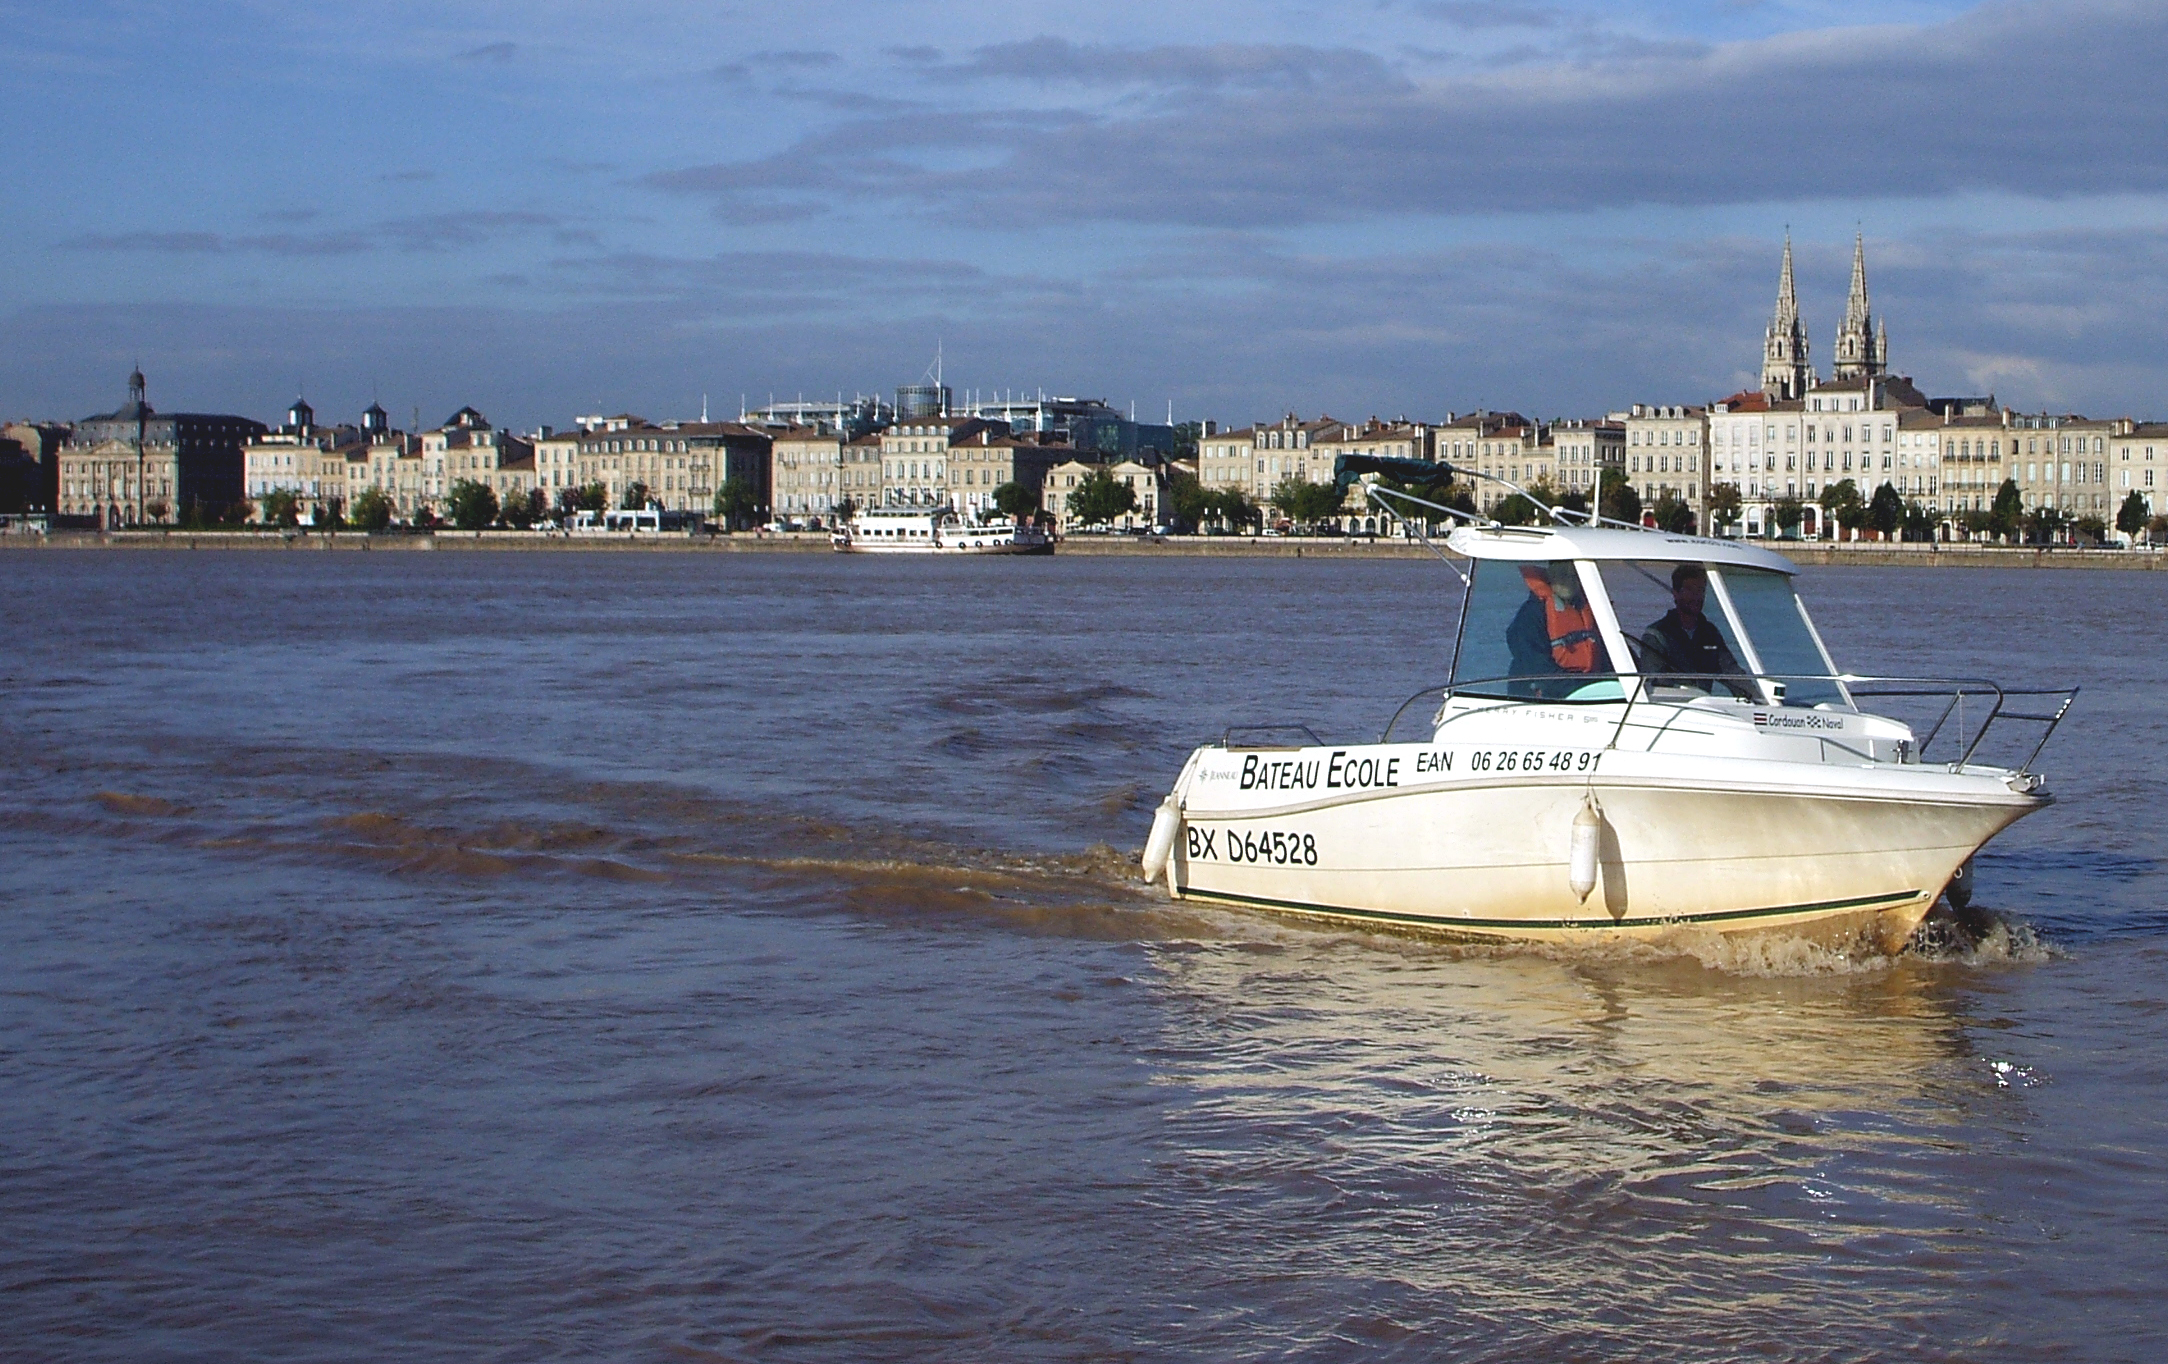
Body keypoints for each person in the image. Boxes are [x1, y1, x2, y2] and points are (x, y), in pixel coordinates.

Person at [1639, 563, 1748, 693]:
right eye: (1690, 590)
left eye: (1701, 590)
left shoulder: (1710, 633)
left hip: (1705, 706)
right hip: (1670, 707)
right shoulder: (1656, 635)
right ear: (1676, 593)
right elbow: (1654, 680)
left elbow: (1731, 671)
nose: (1696, 596)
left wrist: (1758, 699)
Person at [1507, 563, 1608, 697]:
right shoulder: (1530, 616)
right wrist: (1584, 687)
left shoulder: (1591, 611)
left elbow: (1612, 655)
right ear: (1550, 576)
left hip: (1588, 692)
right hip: (1544, 699)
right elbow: (1537, 668)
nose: (1569, 580)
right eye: (1563, 574)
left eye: (1574, 575)